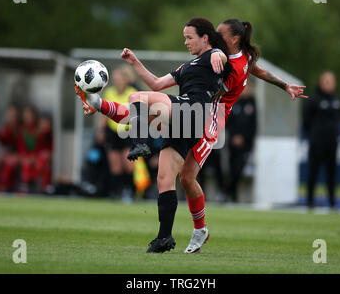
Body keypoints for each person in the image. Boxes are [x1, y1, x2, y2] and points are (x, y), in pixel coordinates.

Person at [76, 18, 308, 253]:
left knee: (141, 107)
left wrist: (283, 84)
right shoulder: (201, 61)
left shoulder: (224, 57)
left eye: (220, 34)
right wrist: (135, 62)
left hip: (208, 121)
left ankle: (135, 138)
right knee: (175, 176)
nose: (216, 37)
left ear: (234, 38)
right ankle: (173, 234)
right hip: (188, 113)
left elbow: (249, 67)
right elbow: (158, 83)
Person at [76, 17, 231, 253]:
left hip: (193, 111)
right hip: (185, 122)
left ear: (205, 38)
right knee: (164, 179)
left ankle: (140, 143)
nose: (185, 42)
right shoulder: (188, 66)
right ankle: (164, 238)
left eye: (189, 37)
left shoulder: (213, 55)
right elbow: (158, 84)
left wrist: (220, 53)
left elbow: (221, 56)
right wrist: (135, 62)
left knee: (136, 98)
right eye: (184, 38)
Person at [96, 65, 137, 200]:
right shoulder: (109, 92)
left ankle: (129, 192)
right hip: (112, 132)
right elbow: (105, 114)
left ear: (126, 79)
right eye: (115, 78)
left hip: (127, 131)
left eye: (119, 78)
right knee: (115, 166)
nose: (117, 80)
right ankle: (115, 192)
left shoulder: (132, 92)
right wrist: (101, 130)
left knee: (128, 164)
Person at [303, 71, 340, 209]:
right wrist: (313, 136)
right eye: (326, 81)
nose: (329, 84)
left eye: (331, 81)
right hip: (317, 143)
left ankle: (332, 202)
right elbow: (306, 121)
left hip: (332, 142)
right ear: (321, 82)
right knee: (313, 171)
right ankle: (310, 201)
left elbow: (339, 119)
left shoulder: (337, 100)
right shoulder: (314, 100)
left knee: (332, 173)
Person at [225, 84, 257, 202]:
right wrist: (234, 136)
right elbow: (228, 122)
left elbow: (253, 125)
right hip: (233, 143)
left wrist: (244, 138)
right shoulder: (234, 102)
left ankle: (229, 192)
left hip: (245, 144)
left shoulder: (252, 104)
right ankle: (232, 196)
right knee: (232, 169)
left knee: (239, 169)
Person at [0, 105, 20, 192]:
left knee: (8, 164)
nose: (11, 117)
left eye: (13, 115)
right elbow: (6, 143)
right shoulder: (7, 127)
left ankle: (6, 190)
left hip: (19, 155)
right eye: (10, 115)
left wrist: (13, 155)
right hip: (9, 154)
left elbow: (20, 146)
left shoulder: (20, 128)